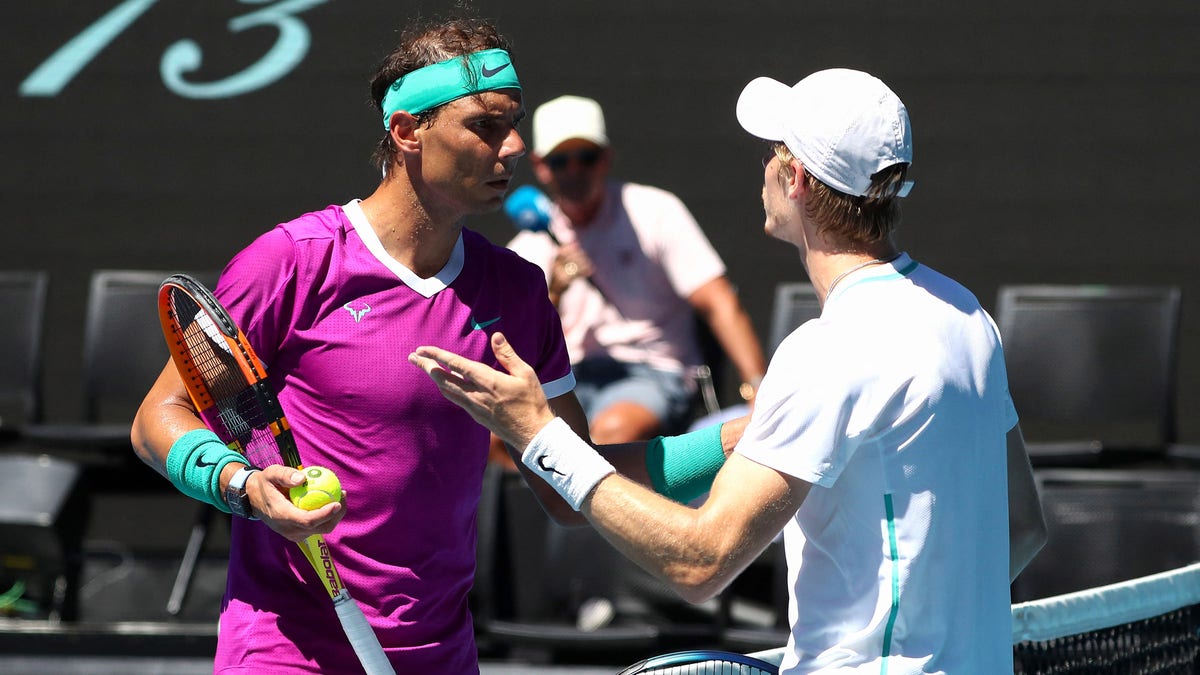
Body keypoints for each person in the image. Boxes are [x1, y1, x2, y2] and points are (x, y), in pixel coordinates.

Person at [411, 68, 1049, 673]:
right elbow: (1022, 526)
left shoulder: (829, 351)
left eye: (773, 152)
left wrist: (538, 435)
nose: (765, 167)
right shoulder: (966, 316)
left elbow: (700, 563)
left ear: (794, 177)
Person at [130, 16, 600, 674]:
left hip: (441, 654)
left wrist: (733, 446)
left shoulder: (519, 292)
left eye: (514, 121)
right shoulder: (291, 263)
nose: (516, 145)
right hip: (286, 649)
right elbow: (158, 418)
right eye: (486, 125)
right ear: (409, 131)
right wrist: (240, 483)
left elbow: (572, 486)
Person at [505, 94, 767, 444]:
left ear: (606, 159)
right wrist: (554, 290)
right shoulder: (530, 244)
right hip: (570, 378)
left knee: (611, 432)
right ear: (540, 165)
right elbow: (519, 345)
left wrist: (759, 391)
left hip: (655, 372)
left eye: (586, 158)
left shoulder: (655, 211)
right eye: (560, 161)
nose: (574, 171)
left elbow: (719, 302)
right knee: (493, 436)